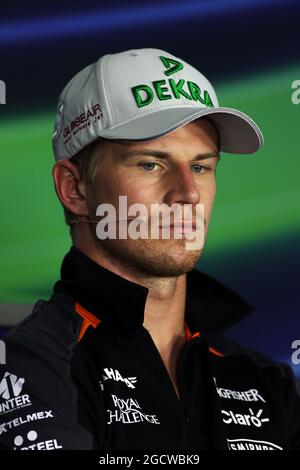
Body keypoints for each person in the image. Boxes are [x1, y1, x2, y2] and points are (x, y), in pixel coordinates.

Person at [0, 48, 299, 451]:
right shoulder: (27, 368)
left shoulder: (267, 382)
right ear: (74, 189)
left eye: (200, 166)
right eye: (150, 164)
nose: (188, 194)